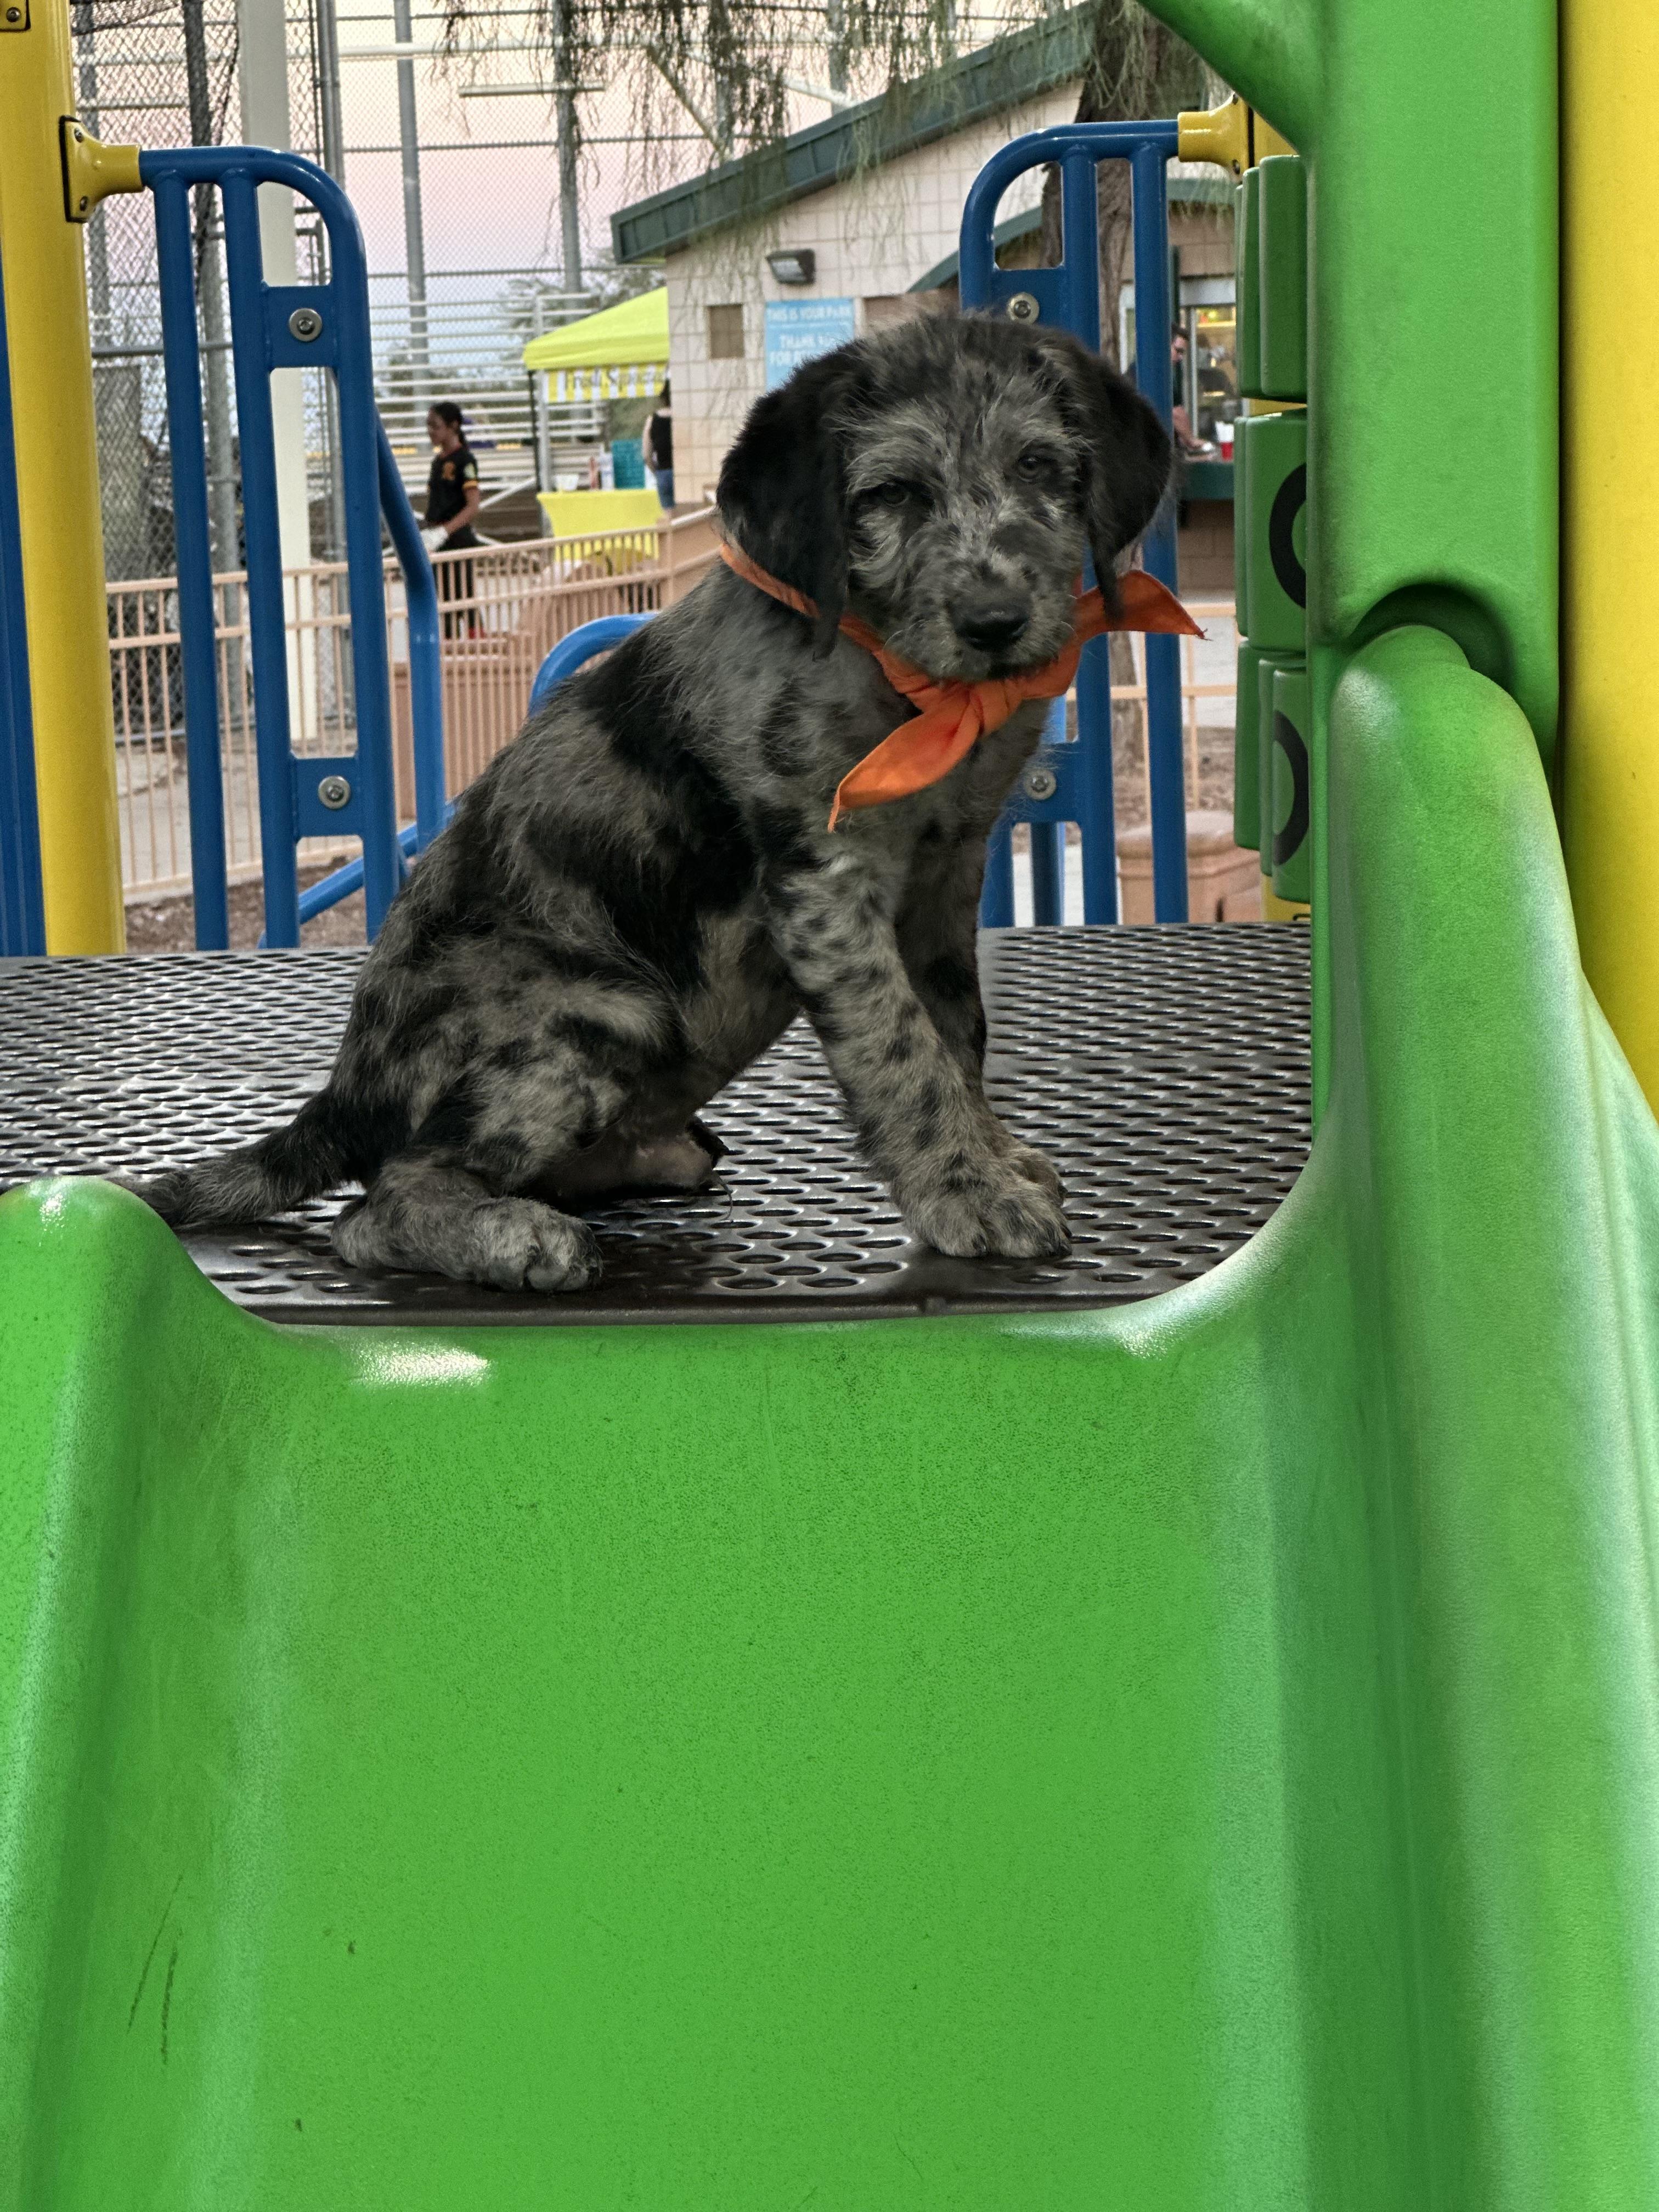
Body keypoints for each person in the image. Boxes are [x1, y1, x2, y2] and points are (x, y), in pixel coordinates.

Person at [422, 400, 481, 633]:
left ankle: (480, 650)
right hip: (438, 543)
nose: (430, 432)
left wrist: (446, 531)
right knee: (443, 604)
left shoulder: (464, 460)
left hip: (457, 541)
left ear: (453, 426)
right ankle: (449, 655)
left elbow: (473, 505)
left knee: (465, 600)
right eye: (428, 426)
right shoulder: (437, 462)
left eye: (435, 426)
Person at [645, 379, 674, 510]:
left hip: (664, 473)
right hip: (686, 473)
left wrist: (657, 472)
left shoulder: (652, 420)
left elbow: (646, 454)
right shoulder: (685, 416)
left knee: (669, 518)